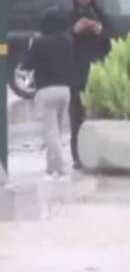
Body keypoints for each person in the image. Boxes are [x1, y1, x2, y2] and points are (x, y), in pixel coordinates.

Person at [64, 0, 115, 169]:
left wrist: (100, 30)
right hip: (76, 76)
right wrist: (74, 31)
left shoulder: (102, 15)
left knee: (99, 116)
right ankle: (77, 157)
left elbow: (115, 39)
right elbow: (60, 43)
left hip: (99, 74)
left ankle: (99, 154)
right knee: (76, 118)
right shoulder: (68, 17)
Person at [22, 9, 75, 180]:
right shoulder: (68, 41)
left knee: (51, 133)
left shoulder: (39, 42)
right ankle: (50, 169)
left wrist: (32, 46)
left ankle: (61, 169)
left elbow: (26, 65)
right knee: (57, 131)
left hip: (45, 91)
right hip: (65, 90)